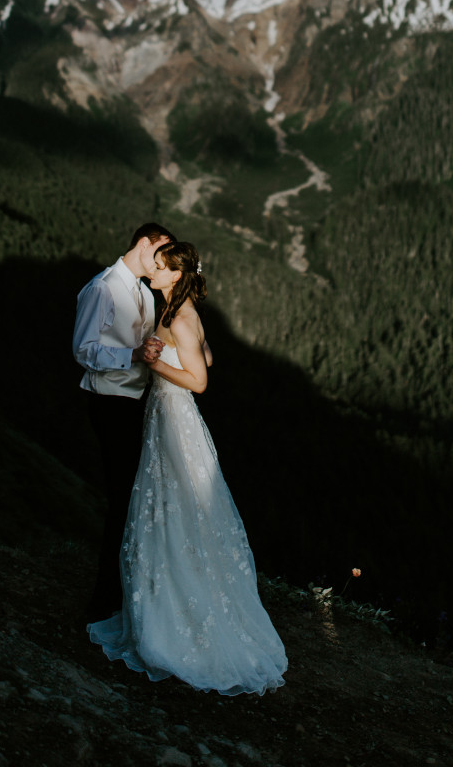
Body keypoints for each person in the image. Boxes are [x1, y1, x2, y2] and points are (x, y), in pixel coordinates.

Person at [88, 241, 287, 696]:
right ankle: (170, 605)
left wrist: (158, 363)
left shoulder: (178, 315)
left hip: (176, 422)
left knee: (175, 510)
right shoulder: (178, 309)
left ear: (175, 276)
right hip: (165, 419)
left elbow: (200, 380)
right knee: (171, 510)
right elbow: (207, 354)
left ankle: (179, 618)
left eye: (159, 269)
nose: (152, 272)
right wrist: (175, 355)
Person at [73, 222, 174, 623]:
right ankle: (103, 602)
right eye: (160, 251)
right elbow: (84, 350)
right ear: (144, 243)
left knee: (132, 498)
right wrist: (133, 355)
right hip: (108, 401)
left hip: (137, 401)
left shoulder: (146, 294)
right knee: (123, 500)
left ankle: (119, 592)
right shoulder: (102, 288)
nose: (162, 261)